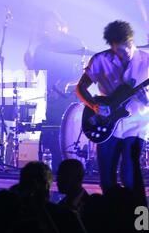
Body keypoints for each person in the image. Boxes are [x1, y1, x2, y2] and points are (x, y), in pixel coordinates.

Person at [76, 20, 149, 195]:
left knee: (129, 175)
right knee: (106, 179)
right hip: (107, 121)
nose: (124, 54)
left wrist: (145, 99)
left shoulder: (146, 61)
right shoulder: (100, 60)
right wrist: (94, 106)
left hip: (136, 124)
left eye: (126, 48)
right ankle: (111, 213)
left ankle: (134, 215)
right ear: (112, 46)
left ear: (132, 41)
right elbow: (80, 88)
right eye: (118, 50)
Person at [24, 11, 84, 171]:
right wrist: (30, 65)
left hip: (69, 99)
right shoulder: (41, 49)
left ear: (61, 25)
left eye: (55, 24)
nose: (52, 28)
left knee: (68, 140)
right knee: (51, 140)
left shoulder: (73, 44)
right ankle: (56, 173)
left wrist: (68, 83)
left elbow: (84, 73)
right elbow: (36, 76)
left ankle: (72, 172)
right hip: (49, 100)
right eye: (48, 25)